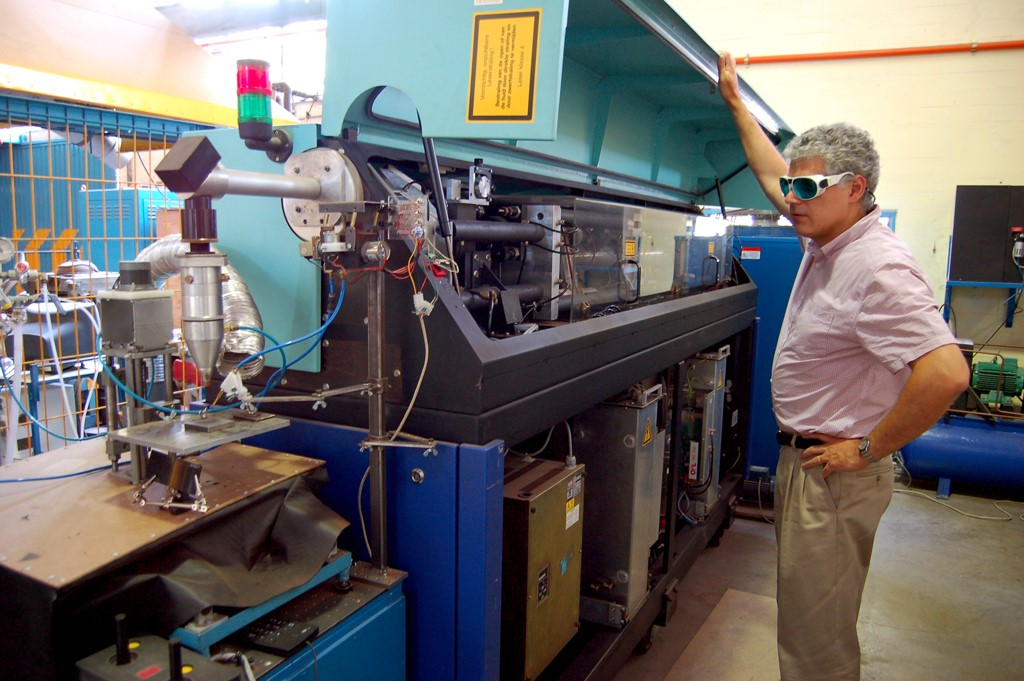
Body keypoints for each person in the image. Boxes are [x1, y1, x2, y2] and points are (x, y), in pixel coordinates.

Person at [716, 52, 970, 681]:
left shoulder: (877, 268)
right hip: (806, 464)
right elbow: (774, 172)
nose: (790, 199)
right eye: (795, 186)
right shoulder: (825, 237)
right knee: (807, 621)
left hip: (835, 471)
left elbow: (945, 374)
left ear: (856, 189)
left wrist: (866, 449)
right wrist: (736, 107)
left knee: (816, 645)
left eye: (808, 188)